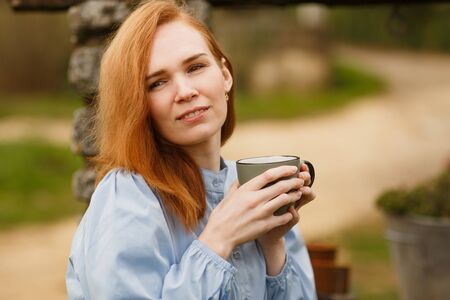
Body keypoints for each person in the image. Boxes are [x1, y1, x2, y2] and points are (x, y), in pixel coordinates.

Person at [66, 1, 317, 299]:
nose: (185, 92)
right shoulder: (127, 198)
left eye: (196, 67)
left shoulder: (254, 188)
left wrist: (273, 244)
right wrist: (219, 238)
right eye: (158, 83)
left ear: (225, 75)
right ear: (137, 105)